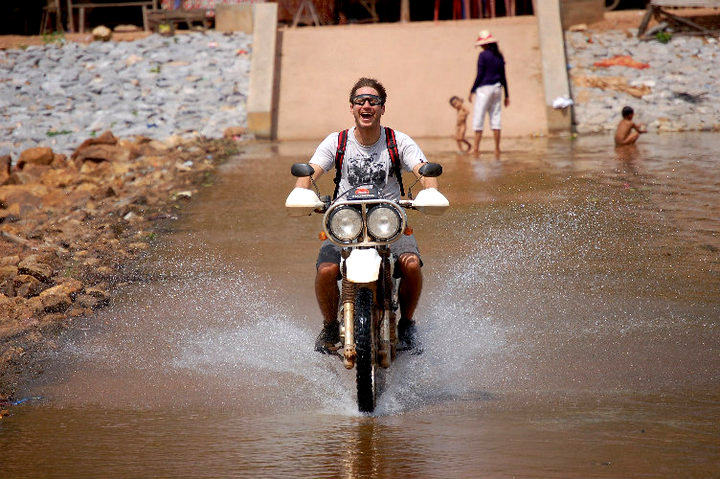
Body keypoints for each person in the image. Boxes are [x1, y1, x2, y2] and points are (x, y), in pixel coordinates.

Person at [293, 77, 440, 354]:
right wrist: (301, 192)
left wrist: (430, 190)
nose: (367, 105)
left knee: (410, 265)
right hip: (346, 223)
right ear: (351, 107)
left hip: (390, 223)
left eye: (374, 101)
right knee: (326, 270)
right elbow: (311, 171)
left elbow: (423, 170)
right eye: (360, 100)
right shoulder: (336, 141)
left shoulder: (398, 140)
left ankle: (407, 324)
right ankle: (329, 326)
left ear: (383, 108)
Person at [469, 30, 510, 157]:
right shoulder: (499, 56)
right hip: (498, 89)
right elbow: (503, 76)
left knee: (479, 118)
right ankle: (497, 149)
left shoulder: (483, 56)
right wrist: (507, 95)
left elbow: (480, 74)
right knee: (496, 118)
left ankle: (476, 149)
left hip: (484, 89)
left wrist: (472, 90)